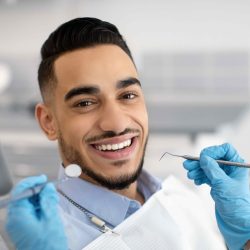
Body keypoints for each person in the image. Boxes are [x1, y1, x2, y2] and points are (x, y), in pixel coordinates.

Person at [4, 17, 250, 250]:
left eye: (128, 95)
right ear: (48, 122)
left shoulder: (186, 202)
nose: (117, 124)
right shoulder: (23, 238)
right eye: (85, 103)